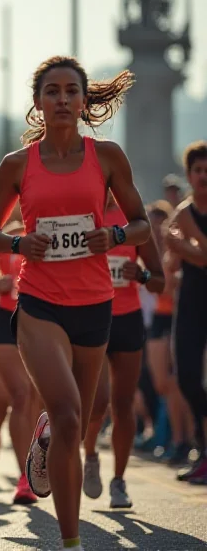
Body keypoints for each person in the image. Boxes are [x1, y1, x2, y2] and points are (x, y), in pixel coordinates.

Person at [0, 56, 150, 551]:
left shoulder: (108, 157)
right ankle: (71, 540)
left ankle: (46, 435)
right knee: (72, 413)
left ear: (84, 101)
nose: (62, 100)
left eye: (71, 91)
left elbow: (141, 224)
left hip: (96, 302)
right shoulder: (18, 165)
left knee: (86, 412)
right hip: (39, 303)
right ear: (38, 103)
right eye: (52, 92)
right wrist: (17, 245)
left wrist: (112, 233)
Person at [81, 192, 164, 508]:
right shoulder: (83, 216)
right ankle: (90, 456)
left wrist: (140, 275)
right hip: (92, 316)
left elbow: (160, 281)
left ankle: (119, 480)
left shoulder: (134, 222)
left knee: (124, 403)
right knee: (98, 401)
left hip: (128, 319)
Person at [0, 220, 39, 504]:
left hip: (38, 319)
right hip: (3, 321)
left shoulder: (47, 232)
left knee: (33, 399)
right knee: (20, 394)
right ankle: (24, 477)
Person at [165, 140, 207, 484]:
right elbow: (170, 263)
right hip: (191, 302)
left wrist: (186, 242)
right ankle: (202, 447)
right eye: (198, 170)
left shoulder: (186, 220)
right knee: (186, 378)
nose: (204, 176)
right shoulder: (183, 213)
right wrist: (178, 251)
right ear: (189, 174)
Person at [144, 200, 191, 464]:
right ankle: (178, 438)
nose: (155, 226)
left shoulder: (176, 249)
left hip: (175, 315)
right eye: (151, 221)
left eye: (159, 221)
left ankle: (182, 441)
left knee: (176, 383)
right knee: (161, 383)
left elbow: (171, 284)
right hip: (156, 318)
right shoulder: (148, 251)